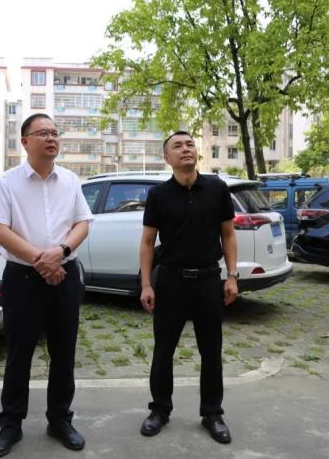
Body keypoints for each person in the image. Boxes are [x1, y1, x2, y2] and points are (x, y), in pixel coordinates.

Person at [0, 113, 94, 457]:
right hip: (23, 279)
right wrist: (40, 260)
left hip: (65, 275)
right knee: (19, 353)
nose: (51, 138)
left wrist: (60, 253)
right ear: (25, 142)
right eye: (42, 133)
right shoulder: (8, 182)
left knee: (64, 352)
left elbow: (82, 223)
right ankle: (10, 425)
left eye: (54, 133)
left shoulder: (71, 180)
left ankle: (60, 420)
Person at [138, 131, 238, 444]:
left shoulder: (217, 189)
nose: (186, 149)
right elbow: (147, 242)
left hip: (208, 280)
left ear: (197, 152)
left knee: (211, 351)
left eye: (190, 144)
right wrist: (146, 284)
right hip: (170, 282)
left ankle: (212, 413)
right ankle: (160, 409)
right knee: (163, 349)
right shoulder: (159, 195)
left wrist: (232, 276)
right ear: (167, 158)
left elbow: (228, 235)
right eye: (177, 146)